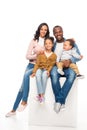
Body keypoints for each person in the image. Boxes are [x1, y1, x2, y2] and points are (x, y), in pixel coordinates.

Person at [5, 22, 50, 117]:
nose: (43, 31)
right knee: (22, 87)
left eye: (45, 30)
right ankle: (14, 109)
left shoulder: (48, 41)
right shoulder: (34, 41)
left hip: (41, 67)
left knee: (29, 78)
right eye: (42, 29)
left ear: (47, 31)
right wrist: (37, 55)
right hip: (31, 65)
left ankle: (25, 101)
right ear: (39, 30)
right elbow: (27, 56)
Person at [50, 25, 83, 113]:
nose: (58, 34)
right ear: (54, 34)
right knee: (53, 74)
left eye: (59, 31)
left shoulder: (70, 42)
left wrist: (70, 60)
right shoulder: (53, 44)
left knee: (72, 75)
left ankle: (58, 101)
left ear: (63, 31)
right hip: (57, 65)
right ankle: (62, 102)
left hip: (69, 65)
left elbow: (79, 56)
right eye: (56, 32)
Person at [31, 37, 57, 103]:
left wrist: (48, 71)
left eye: (49, 43)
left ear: (52, 44)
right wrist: (34, 72)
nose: (48, 45)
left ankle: (41, 96)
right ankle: (41, 96)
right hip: (39, 68)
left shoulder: (54, 55)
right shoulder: (41, 53)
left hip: (46, 70)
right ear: (44, 45)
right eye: (46, 43)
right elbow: (37, 63)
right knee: (38, 75)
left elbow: (52, 65)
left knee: (44, 76)